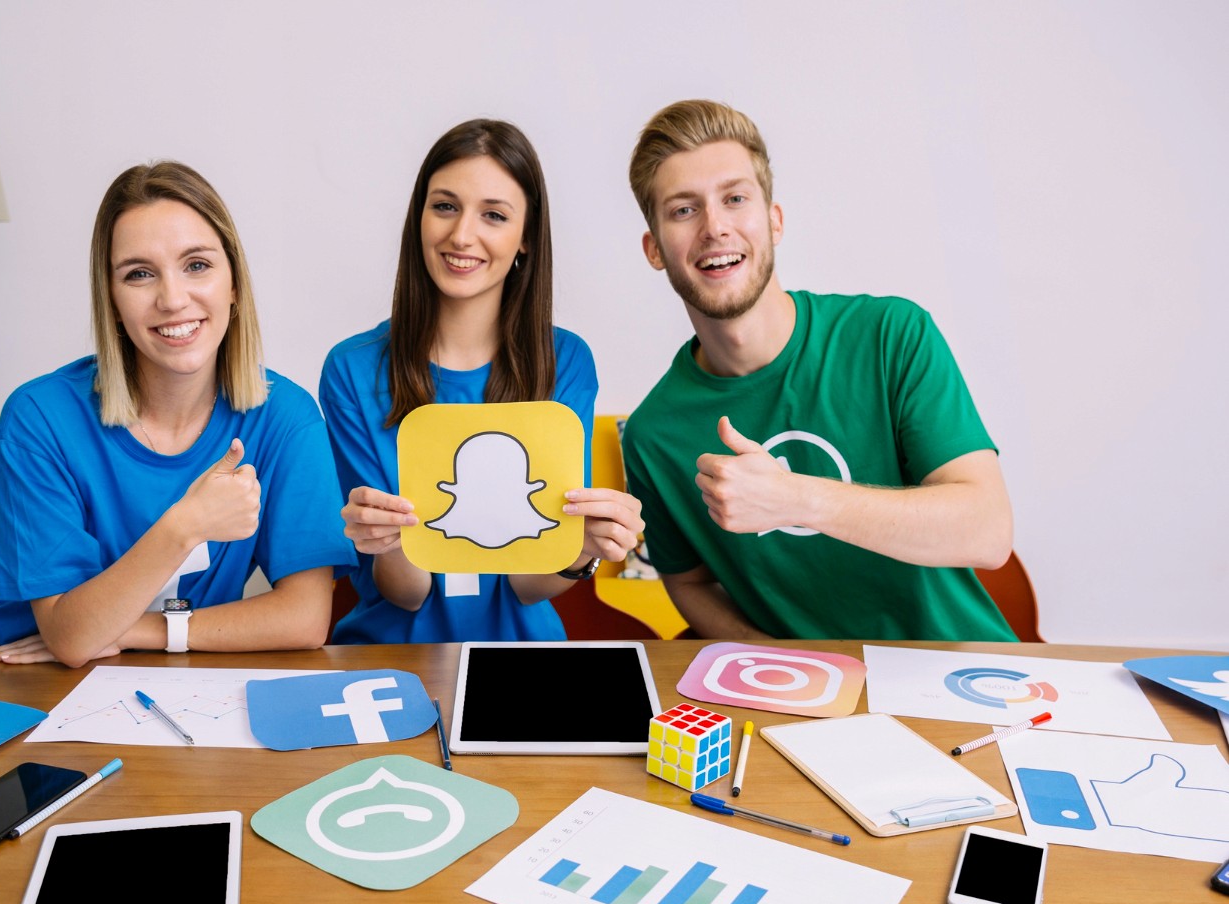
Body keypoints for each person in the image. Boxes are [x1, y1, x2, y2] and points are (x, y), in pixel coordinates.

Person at [620, 100, 1016, 641]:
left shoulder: (890, 334)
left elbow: (988, 531)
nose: (715, 227)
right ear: (654, 249)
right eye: (683, 210)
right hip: (807, 710)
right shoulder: (652, 434)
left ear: (774, 221)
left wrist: (793, 498)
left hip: (961, 680)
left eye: (735, 199)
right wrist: (779, 670)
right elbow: (689, 584)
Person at [0, 161, 355, 666]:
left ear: (234, 282)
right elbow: (74, 641)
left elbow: (304, 619)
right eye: (139, 274)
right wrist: (185, 525)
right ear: (112, 300)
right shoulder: (40, 418)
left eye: (197, 265)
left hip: (158, 678)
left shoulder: (287, 418)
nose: (172, 298)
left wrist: (145, 632)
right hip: (15, 679)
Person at [321, 119, 643, 643]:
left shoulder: (565, 361)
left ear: (525, 241)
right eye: (445, 206)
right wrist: (388, 541)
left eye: (493, 215)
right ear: (418, 218)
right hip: (391, 660)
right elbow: (404, 594)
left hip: (521, 662)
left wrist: (582, 550)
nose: (462, 235)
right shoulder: (352, 369)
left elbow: (528, 582)